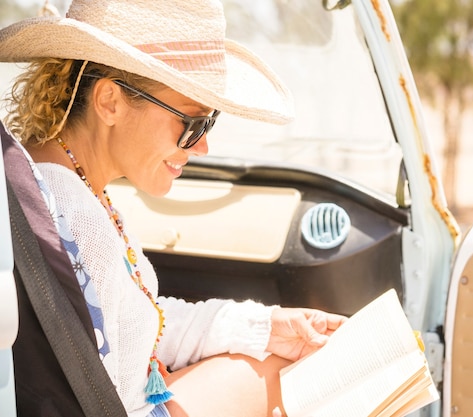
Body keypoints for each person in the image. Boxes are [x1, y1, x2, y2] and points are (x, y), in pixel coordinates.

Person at [0, 0, 346, 416]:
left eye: (208, 123)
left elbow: (134, 322)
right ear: (109, 101)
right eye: (191, 123)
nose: (201, 145)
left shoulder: (67, 188)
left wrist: (265, 327)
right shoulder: (74, 215)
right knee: (281, 377)